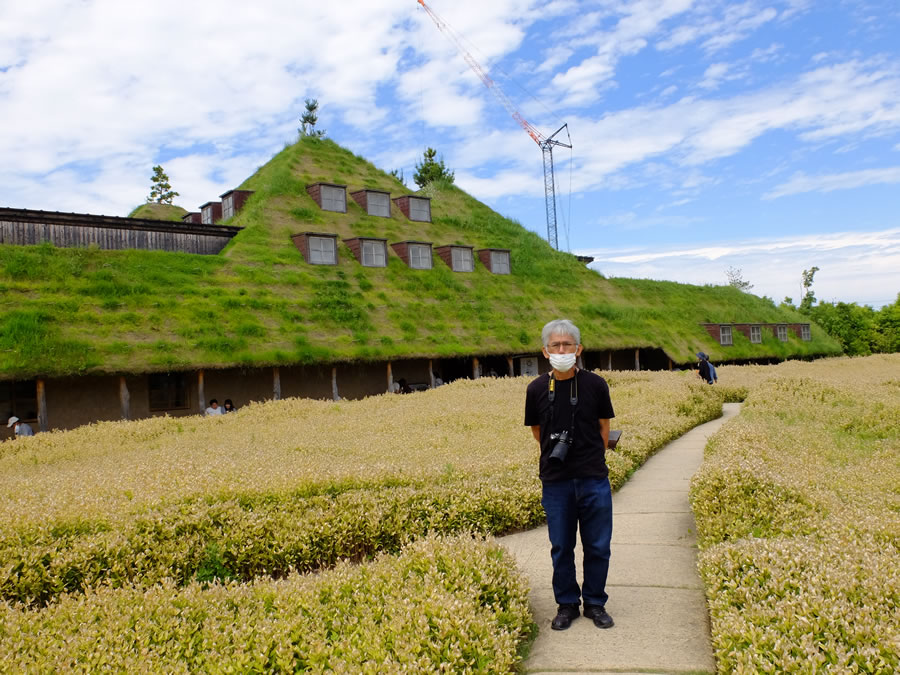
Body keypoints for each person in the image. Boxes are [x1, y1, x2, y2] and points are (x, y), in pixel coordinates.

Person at [524, 319, 615, 631]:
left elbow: (604, 428)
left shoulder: (596, 385)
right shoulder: (536, 388)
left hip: (593, 478)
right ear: (545, 351)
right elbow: (538, 432)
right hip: (556, 481)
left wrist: (591, 458)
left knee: (598, 545)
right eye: (555, 345)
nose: (561, 350)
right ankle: (566, 604)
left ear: (579, 349)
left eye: (567, 345)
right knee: (561, 546)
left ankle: (594, 603)